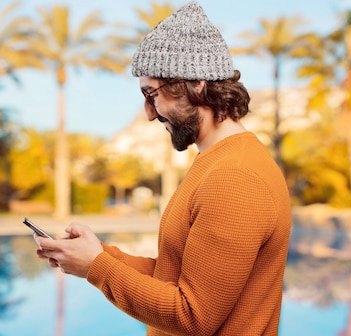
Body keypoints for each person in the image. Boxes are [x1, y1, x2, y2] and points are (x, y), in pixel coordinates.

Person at [35, 1, 292, 335]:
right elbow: (176, 275)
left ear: (196, 82)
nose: (149, 113)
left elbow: (193, 315)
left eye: (151, 94)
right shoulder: (218, 162)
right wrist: (99, 254)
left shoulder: (235, 178)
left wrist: (97, 268)